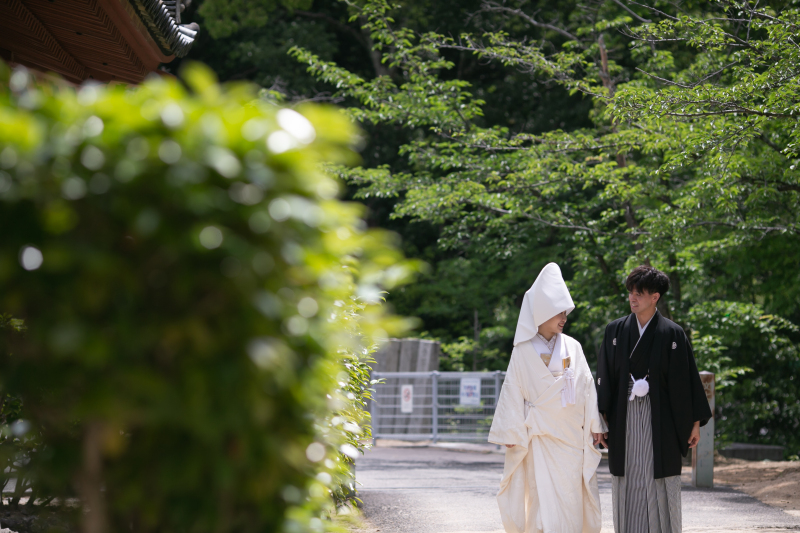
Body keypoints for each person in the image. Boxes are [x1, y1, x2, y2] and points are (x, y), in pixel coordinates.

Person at [489, 262, 607, 533]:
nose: (564, 317)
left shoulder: (572, 346)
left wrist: (595, 426)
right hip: (538, 436)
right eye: (558, 311)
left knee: (570, 496)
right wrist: (511, 430)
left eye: (565, 312)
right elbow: (513, 390)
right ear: (541, 311)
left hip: (570, 435)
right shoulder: (522, 351)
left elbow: (587, 387)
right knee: (540, 497)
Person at [596, 265, 712, 533]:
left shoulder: (672, 334)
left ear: (655, 297)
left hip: (660, 419)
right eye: (630, 293)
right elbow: (604, 378)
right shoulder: (615, 331)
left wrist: (694, 422)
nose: (633, 298)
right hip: (623, 416)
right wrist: (600, 421)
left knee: (659, 475)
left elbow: (686, 383)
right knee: (628, 475)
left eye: (640, 293)